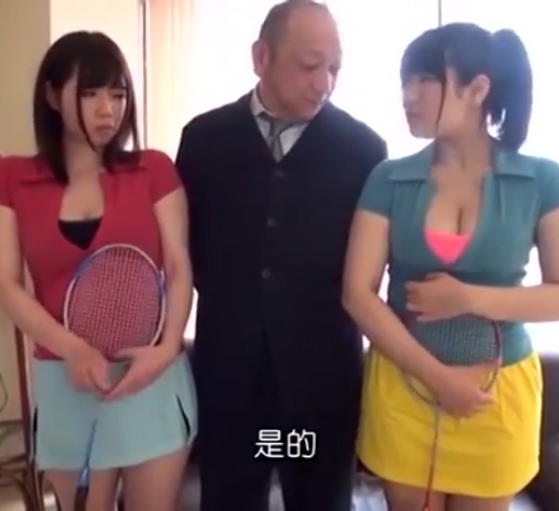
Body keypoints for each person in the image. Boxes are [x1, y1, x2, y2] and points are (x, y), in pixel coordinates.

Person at [342, 23, 559, 511]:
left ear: (477, 89)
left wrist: (469, 298)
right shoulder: (389, 180)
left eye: (425, 80)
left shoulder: (543, 181)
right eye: (405, 81)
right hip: (404, 389)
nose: (408, 96)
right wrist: (438, 377)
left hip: (496, 394)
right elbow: (357, 294)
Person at [175, 1, 387, 510]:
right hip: (230, 377)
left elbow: (369, 269)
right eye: (310, 66)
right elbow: (186, 250)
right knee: (228, 499)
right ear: (261, 57)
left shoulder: (363, 151)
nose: (324, 83)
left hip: (322, 382)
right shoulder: (204, 140)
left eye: (335, 68)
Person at [0, 31, 196, 511]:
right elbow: (6, 285)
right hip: (65, 380)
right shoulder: (10, 177)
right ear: (52, 95)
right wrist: (74, 349)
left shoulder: (153, 169)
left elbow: (179, 264)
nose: (108, 109)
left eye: (118, 95)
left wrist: (166, 350)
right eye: (91, 93)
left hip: (150, 376)